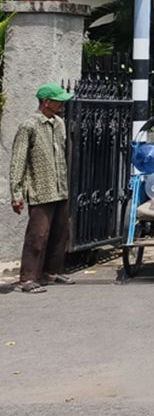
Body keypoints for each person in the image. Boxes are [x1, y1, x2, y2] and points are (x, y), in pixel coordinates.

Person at [9, 83, 75, 293]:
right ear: (46, 102)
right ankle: (27, 278)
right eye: (58, 101)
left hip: (60, 188)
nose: (61, 104)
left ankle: (51, 272)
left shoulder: (59, 124)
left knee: (60, 233)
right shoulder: (29, 126)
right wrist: (16, 193)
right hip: (40, 189)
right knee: (37, 235)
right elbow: (18, 161)